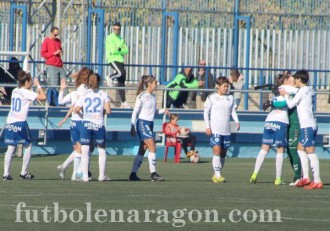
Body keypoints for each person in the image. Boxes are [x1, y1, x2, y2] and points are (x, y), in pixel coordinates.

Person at [279, 70, 323, 189]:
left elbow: (290, 105)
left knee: (310, 151)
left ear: (299, 80)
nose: (294, 82)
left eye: (295, 80)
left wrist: (285, 95)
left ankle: (317, 180)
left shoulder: (302, 91)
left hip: (307, 125)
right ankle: (306, 177)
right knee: (300, 149)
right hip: (308, 125)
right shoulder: (308, 89)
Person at [2, 70, 46, 180]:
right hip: (20, 122)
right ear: (26, 82)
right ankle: (24, 172)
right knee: (28, 145)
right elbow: (43, 97)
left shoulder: (15, 91)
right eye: (30, 81)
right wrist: (38, 85)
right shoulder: (26, 92)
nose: (31, 83)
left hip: (10, 121)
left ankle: (6, 174)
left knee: (11, 148)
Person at [249, 74, 292, 185]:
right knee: (280, 149)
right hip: (281, 121)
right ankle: (278, 179)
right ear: (286, 81)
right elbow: (284, 103)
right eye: (290, 79)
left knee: (264, 149)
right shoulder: (287, 89)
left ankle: (254, 174)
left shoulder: (276, 90)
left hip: (269, 121)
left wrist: (261, 87)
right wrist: (272, 102)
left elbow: (272, 91)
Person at [129, 75, 169, 181]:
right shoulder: (142, 96)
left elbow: (154, 111)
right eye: (155, 83)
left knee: (142, 150)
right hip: (142, 123)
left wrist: (163, 110)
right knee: (152, 147)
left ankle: (133, 174)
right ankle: (153, 174)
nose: (157, 84)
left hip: (150, 124)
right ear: (149, 84)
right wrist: (132, 126)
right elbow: (135, 112)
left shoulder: (153, 96)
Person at [57, 67, 93, 180]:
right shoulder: (86, 90)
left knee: (80, 149)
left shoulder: (75, 92)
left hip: (73, 122)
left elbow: (62, 103)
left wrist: (62, 90)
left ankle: (67, 168)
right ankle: (78, 173)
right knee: (85, 149)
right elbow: (77, 107)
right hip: (82, 122)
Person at [75, 73, 111, 182]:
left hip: (86, 124)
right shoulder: (104, 94)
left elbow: (76, 109)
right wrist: (101, 112)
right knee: (101, 150)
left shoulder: (84, 94)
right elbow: (108, 111)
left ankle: (85, 176)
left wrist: (85, 114)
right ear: (99, 81)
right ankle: (101, 175)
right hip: (98, 124)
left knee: (85, 151)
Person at [204, 77, 240, 183]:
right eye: (224, 86)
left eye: (227, 86)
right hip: (215, 129)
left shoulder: (230, 98)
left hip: (226, 130)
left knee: (223, 153)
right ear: (218, 86)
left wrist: (237, 121)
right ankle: (217, 174)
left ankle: (218, 173)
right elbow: (206, 112)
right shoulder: (211, 97)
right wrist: (207, 126)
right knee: (217, 150)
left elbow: (232, 111)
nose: (226, 88)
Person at [105, 22, 130, 108]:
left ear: (120, 29)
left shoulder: (121, 39)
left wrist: (119, 49)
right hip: (112, 59)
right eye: (114, 29)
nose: (116, 30)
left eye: (118, 29)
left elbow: (126, 50)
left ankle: (123, 102)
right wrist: (120, 49)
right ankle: (110, 77)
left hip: (120, 60)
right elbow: (113, 50)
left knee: (122, 81)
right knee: (121, 73)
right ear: (112, 29)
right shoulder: (110, 38)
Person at [41, 26, 66, 105]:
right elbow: (43, 54)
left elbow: (61, 50)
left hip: (60, 64)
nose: (56, 36)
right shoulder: (46, 41)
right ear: (51, 33)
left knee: (63, 82)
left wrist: (61, 52)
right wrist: (53, 53)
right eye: (55, 35)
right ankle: (54, 103)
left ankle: (62, 101)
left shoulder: (58, 41)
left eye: (57, 35)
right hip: (52, 65)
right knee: (54, 85)